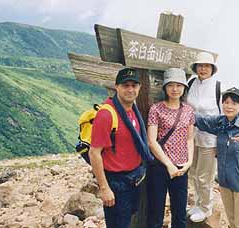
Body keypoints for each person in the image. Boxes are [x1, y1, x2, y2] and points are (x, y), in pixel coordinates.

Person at [89, 68, 154, 228]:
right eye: (125, 85)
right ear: (116, 86)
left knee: (126, 220)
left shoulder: (133, 110)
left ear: (139, 88)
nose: (130, 89)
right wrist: (104, 188)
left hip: (134, 179)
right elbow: (94, 153)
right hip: (116, 183)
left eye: (134, 85)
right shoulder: (106, 114)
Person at [195, 87, 239, 228]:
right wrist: (180, 109)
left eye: (234, 103)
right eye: (226, 102)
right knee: (232, 222)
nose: (229, 106)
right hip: (225, 183)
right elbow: (202, 121)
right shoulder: (220, 123)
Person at [147, 68, 195, 228]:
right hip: (160, 166)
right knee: (156, 212)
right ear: (165, 87)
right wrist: (168, 165)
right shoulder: (156, 109)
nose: (175, 89)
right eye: (171, 85)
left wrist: (189, 162)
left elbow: (189, 138)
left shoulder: (188, 110)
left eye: (179, 85)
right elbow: (151, 141)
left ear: (184, 88)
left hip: (181, 168)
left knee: (180, 213)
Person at [186, 52, 221, 222]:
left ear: (212, 69)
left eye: (207, 66)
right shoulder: (191, 83)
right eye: (200, 65)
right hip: (191, 137)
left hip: (210, 139)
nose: (203, 69)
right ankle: (198, 204)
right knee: (193, 173)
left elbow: (223, 115)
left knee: (205, 176)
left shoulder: (218, 88)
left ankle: (206, 208)